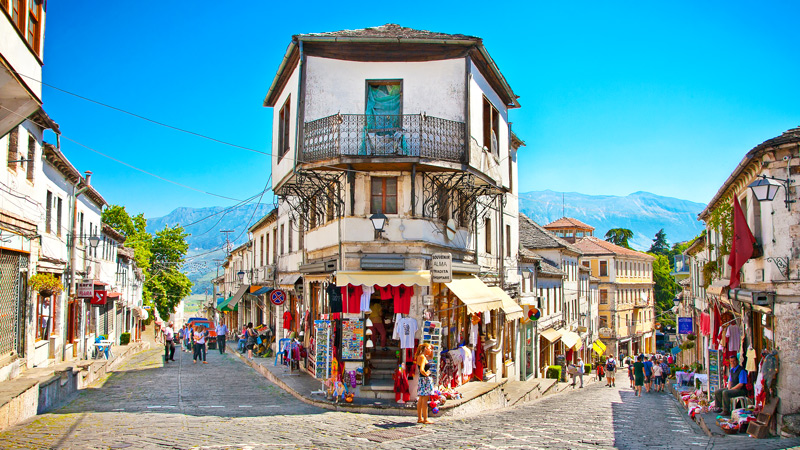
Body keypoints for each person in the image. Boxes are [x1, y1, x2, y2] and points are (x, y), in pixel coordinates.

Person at [415, 343, 434, 424]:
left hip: (421, 379)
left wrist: (432, 349)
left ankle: (420, 418)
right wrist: (426, 374)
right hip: (425, 380)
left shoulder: (420, 356)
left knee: (420, 399)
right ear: (425, 348)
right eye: (429, 348)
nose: (430, 350)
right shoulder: (423, 357)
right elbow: (422, 369)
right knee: (424, 400)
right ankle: (425, 419)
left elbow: (431, 357)